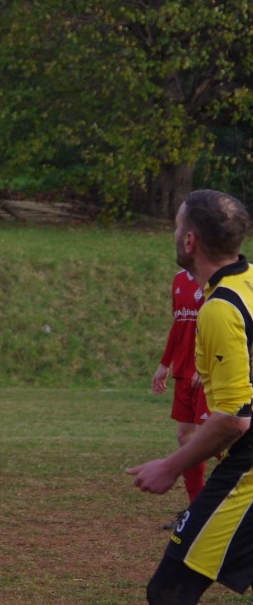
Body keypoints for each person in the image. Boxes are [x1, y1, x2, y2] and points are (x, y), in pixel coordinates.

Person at [127, 189, 253, 603]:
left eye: (177, 225)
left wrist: (170, 466)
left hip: (248, 469)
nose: (175, 232)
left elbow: (235, 418)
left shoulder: (220, 308)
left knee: (170, 589)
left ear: (189, 241)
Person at [150, 268, 208, 530]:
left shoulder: (216, 277)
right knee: (185, 438)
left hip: (206, 374)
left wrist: (204, 366)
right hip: (183, 374)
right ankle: (197, 512)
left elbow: (223, 328)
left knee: (218, 440)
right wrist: (164, 364)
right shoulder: (177, 279)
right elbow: (178, 324)